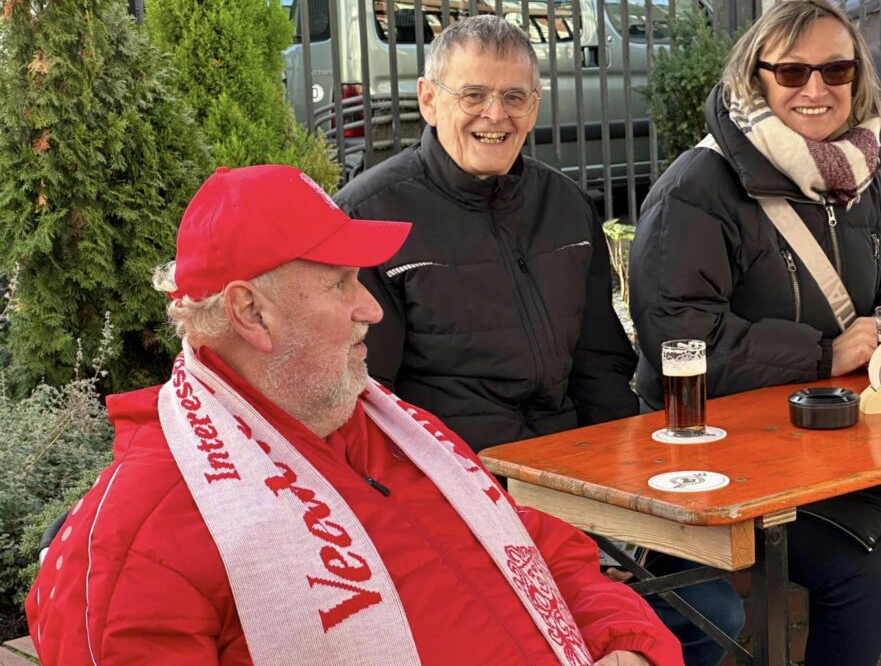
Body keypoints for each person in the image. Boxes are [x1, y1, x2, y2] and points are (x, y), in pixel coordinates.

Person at [25, 164, 682, 666]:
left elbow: (548, 554)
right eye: (340, 282)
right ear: (251, 313)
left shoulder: (395, 429)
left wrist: (624, 644)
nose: (370, 308)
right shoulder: (140, 533)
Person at [335, 15, 743, 666]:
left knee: (714, 611)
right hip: (451, 500)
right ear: (428, 99)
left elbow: (599, 368)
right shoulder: (370, 216)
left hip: (571, 485)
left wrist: (626, 510)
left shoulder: (568, 205)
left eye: (514, 97)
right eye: (473, 94)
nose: (494, 115)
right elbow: (366, 407)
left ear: (536, 104)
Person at [629, 0, 881, 666]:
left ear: (857, 77)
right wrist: (823, 354)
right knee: (864, 573)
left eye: (836, 70)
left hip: (843, 447)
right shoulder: (698, 188)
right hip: (727, 456)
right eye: (791, 71)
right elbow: (680, 338)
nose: (816, 89)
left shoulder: (863, 177)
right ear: (754, 78)